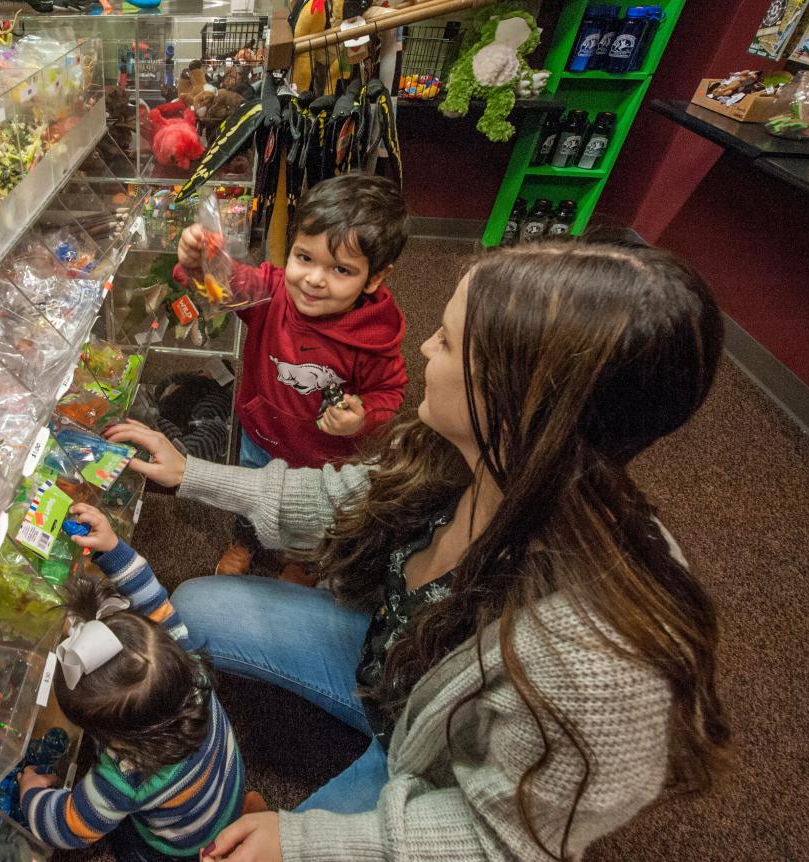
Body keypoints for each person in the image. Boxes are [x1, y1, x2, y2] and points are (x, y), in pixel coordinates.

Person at [106, 241, 731, 862]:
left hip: (437, 768)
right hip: (391, 662)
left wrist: (302, 842)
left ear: (520, 400)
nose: (426, 346)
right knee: (198, 605)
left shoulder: (603, 662)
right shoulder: (462, 455)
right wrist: (192, 472)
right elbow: (337, 498)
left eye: (449, 341)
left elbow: (499, 841)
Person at [174, 173, 409, 576]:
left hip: (323, 455)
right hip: (261, 431)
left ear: (375, 278)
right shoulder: (273, 292)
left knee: (313, 517)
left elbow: (390, 391)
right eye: (304, 258)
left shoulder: (373, 338)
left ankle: (302, 560)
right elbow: (227, 284)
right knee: (249, 494)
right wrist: (199, 262)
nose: (315, 279)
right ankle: (244, 542)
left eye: (340, 270)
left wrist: (363, 416)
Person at [19, 503, 251, 862]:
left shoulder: (126, 776)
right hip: (225, 793)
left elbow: (70, 827)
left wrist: (31, 794)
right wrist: (112, 548)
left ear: (111, 737)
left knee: (129, 845)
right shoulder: (189, 668)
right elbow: (154, 599)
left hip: (182, 848)